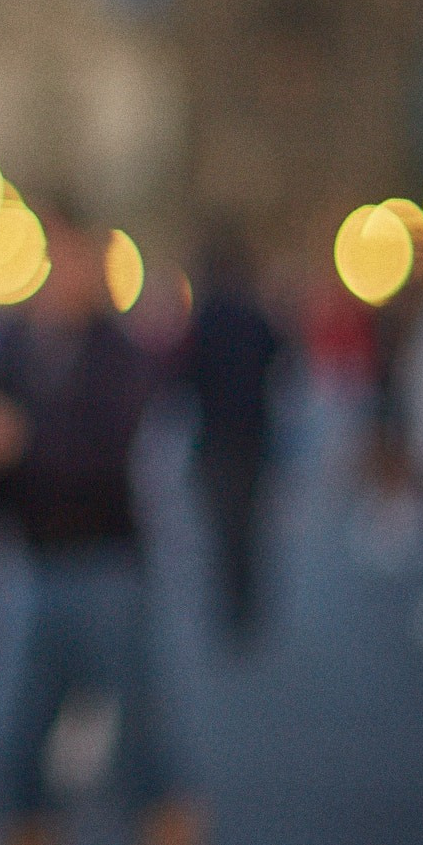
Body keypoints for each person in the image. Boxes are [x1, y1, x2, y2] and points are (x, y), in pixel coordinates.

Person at [0, 212, 220, 845]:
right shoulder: (19, 348)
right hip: (33, 571)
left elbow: (106, 460)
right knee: (16, 750)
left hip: (109, 571)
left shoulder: (125, 357)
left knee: (149, 750)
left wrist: (12, 443)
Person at [183, 232, 282, 645]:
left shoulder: (205, 318)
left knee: (224, 529)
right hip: (251, 437)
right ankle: (247, 607)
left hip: (218, 437)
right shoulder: (254, 316)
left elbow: (187, 374)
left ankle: (230, 608)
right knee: (248, 529)